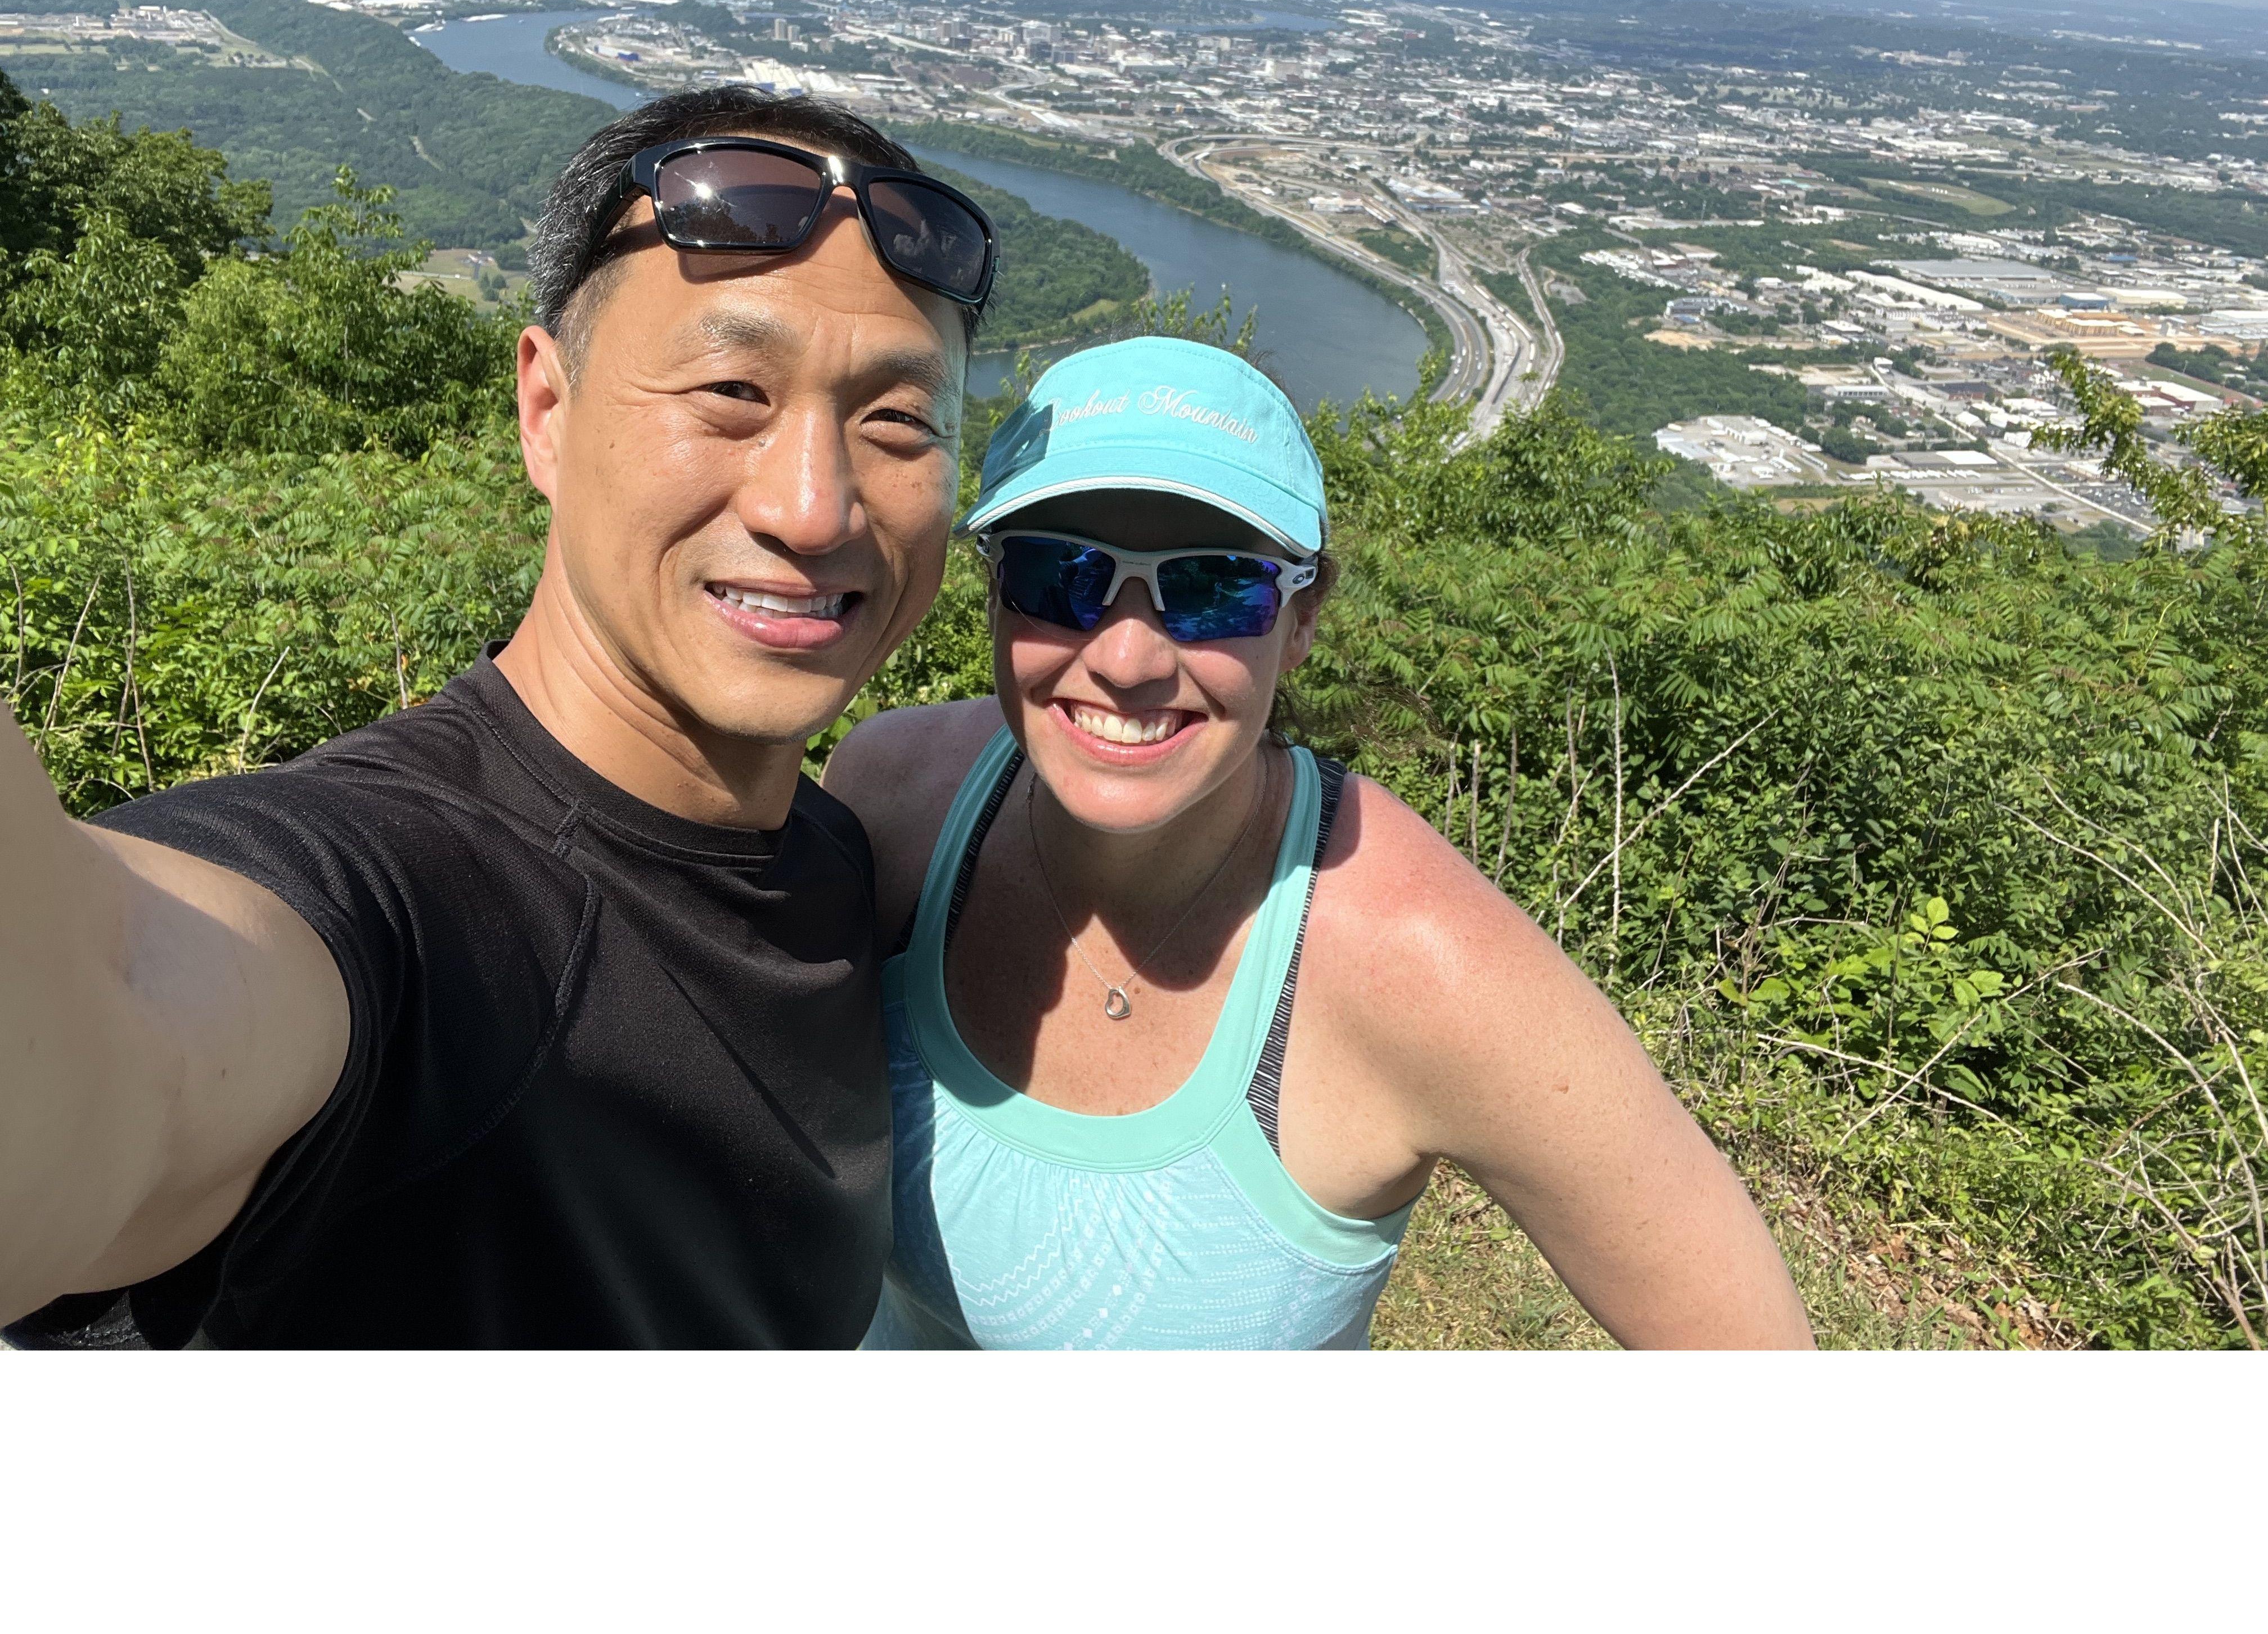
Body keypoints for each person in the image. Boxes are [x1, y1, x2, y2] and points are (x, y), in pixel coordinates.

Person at [1, 87, 997, 1348]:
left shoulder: (833, 860)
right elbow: (120, 1033)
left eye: (900, 421)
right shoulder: (406, 896)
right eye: (733, 391)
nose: (816, 507)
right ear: (548, 409)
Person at [826, 336, 1815, 1349]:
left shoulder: (1426, 967)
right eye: (1061, 574)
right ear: (994, 592)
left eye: (1215, 588)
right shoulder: (897, 797)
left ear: (1300, 621)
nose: (1125, 657)